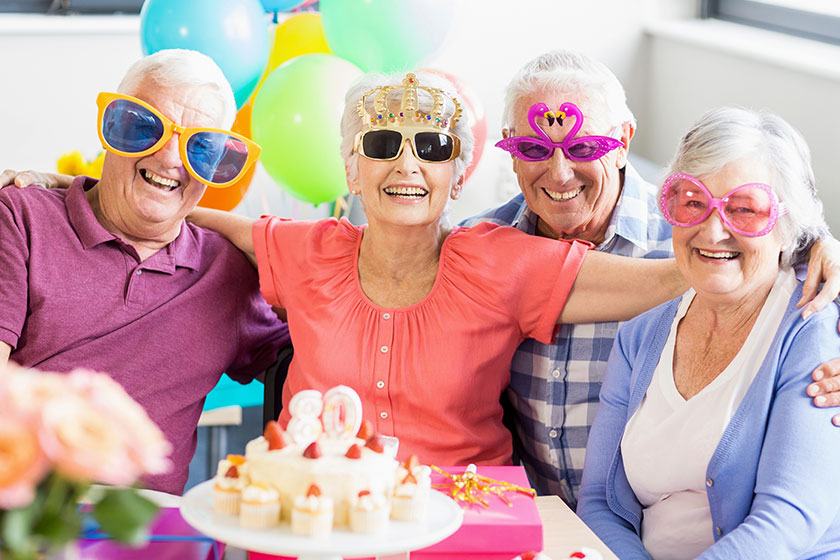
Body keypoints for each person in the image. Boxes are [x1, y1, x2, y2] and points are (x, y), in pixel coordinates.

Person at [185, 70, 689, 466]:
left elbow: (669, 278)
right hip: (318, 519)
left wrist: (747, 252)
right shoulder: (308, 251)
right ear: (350, 171)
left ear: (457, 176)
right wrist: (112, 194)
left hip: (465, 521)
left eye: (432, 148)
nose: (407, 166)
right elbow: (197, 219)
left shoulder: (500, 260)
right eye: (382, 145)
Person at [461, 49, 840, 506]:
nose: (559, 173)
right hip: (530, 522)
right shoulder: (478, 249)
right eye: (534, 149)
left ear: (622, 140)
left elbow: (783, 256)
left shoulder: (697, 240)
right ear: (511, 148)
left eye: (583, 148)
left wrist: (822, 245)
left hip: (647, 531)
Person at [0, 49, 290, 495]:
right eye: (144, 127)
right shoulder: (20, 218)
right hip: (28, 520)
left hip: (148, 534)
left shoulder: (227, 272)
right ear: (111, 128)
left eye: (200, 147)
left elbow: (321, 352)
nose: (172, 159)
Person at [577, 107, 840, 559]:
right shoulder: (639, 336)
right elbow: (600, 501)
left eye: (745, 209)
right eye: (693, 201)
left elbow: (785, 523)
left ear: (787, 226)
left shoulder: (810, 332)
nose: (714, 230)